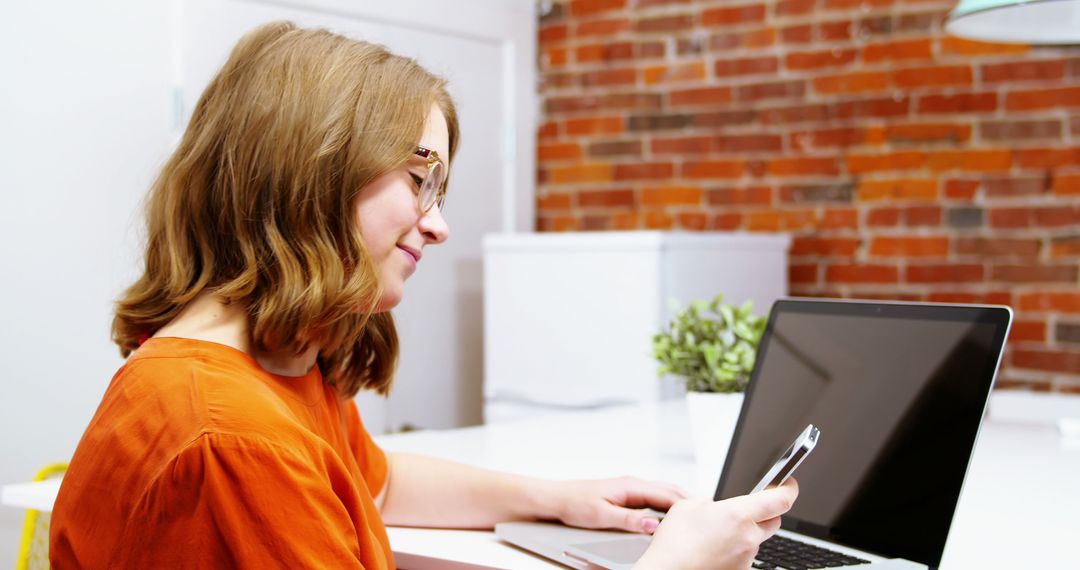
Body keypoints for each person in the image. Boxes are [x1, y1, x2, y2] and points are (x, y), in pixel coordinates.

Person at [50, 21, 797, 569]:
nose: (438, 226)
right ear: (308, 174)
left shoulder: (265, 369)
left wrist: (560, 499)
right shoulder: (230, 437)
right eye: (419, 181)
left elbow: (374, 483)